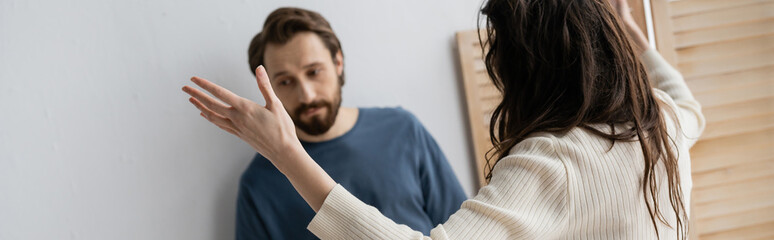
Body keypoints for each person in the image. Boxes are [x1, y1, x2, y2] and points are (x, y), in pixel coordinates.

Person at [182, 0, 704, 239]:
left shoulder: (555, 161)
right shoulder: (663, 126)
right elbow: (688, 102)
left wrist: (287, 155)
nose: (306, 92)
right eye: (286, 80)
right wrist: (632, 36)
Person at [218, 7, 466, 240]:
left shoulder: (403, 130)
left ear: (338, 63)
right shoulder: (259, 184)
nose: (307, 95)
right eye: (285, 82)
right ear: (269, 87)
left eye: (314, 72)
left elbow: (462, 230)